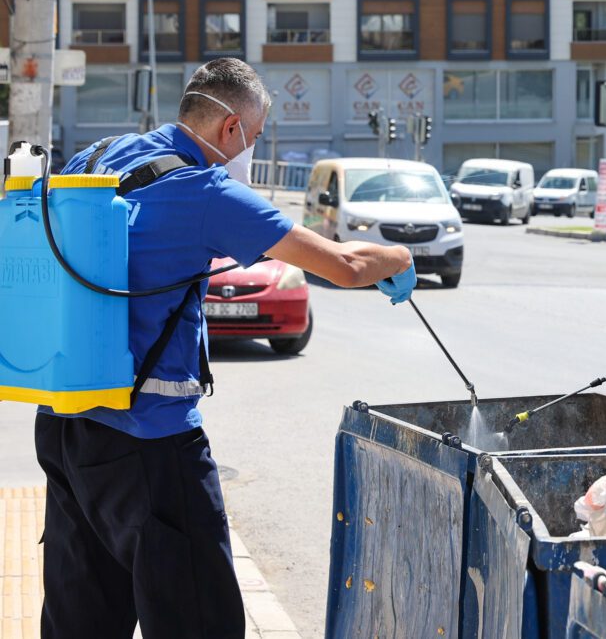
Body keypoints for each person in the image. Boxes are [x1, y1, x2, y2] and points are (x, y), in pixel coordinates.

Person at [34, 58, 416, 638]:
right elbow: (346, 265)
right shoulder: (204, 190)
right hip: (150, 444)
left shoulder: (104, 155)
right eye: (255, 138)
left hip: (63, 427)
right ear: (231, 129)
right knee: (198, 617)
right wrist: (401, 259)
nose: (249, 152)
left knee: (81, 620)